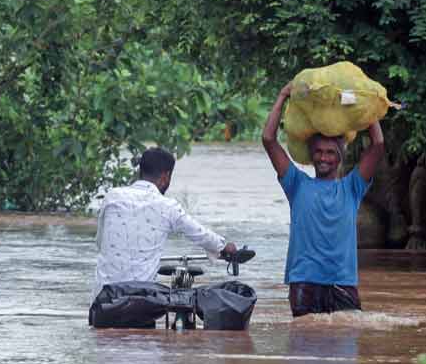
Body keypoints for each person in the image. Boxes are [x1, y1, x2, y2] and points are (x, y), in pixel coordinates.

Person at [262, 82, 385, 316]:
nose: (323, 158)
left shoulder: (352, 187)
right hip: (304, 282)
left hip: (342, 281)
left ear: (339, 157)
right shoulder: (296, 184)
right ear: (311, 155)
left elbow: (378, 145)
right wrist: (283, 95)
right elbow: (269, 139)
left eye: (330, 152)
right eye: (318, 151)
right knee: (304, 335)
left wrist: (367, 103)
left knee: (348, 334)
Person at [93, 147, 238, 295]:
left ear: (140, 172)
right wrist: (225, 247)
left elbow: (100, 242)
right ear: (165, 177)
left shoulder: (112, 197)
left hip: (102, 298)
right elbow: (201, 234)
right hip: (138, 298)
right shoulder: (168, 206)